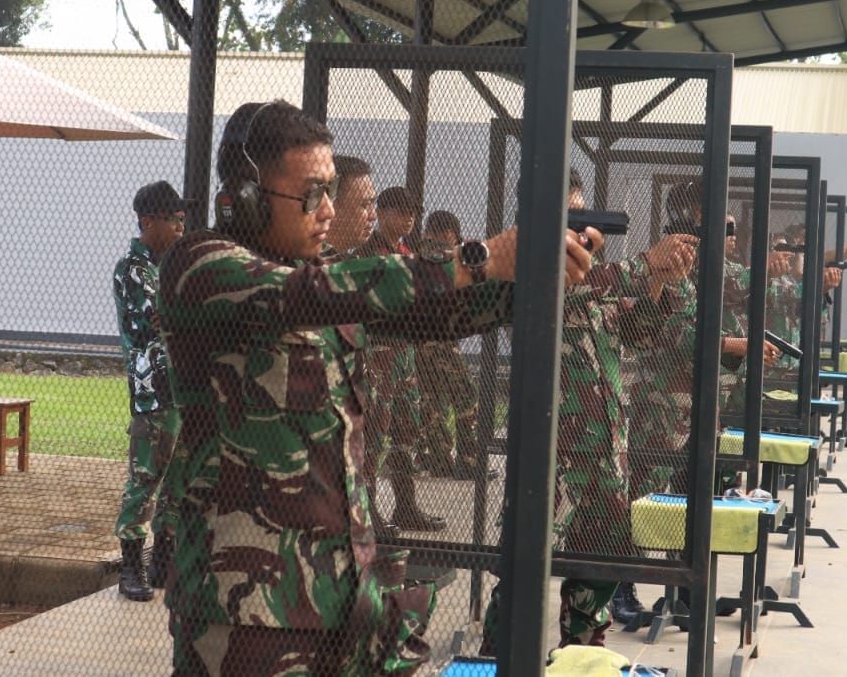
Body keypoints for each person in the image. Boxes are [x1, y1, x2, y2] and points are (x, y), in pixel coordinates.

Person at [156, 99, 597, 675]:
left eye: (331, 191)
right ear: (246, 197)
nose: (327, 210)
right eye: (311, 194)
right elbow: (311, 294)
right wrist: (480, 257)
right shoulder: (200, 265)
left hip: (339, 599)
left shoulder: (324, 274)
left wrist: (535, 276)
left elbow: (435, 313)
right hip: (243, 612)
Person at [481, 168, 698, 652]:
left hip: (604, 452)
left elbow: (639, 334)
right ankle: (496, 658)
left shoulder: (593, 279)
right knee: (522, 568)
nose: (580, 231)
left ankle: (580, 657)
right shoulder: (529, 268)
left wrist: (657, 281)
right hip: (552, 454)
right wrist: (645, 264)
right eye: (571, 219)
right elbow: (584, 286)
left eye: (582, 218)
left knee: (600, 568)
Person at [112, 180, 190, 601]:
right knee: (145, 477)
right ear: (146, 222)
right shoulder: (133, 270)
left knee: (178, 478)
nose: (180, 227)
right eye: (171, 219)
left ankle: (163, 560)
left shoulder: (170, 267)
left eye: (182, 219)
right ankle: (131, 566)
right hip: (154, 391)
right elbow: (157, 320)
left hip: (184, 389)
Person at [356, 187, 443, 530]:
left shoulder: (409, 253)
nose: (409, 218)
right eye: (401, 211)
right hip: (378, 356)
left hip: (404, 356)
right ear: (381, 212)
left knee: (407, 432)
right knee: (374, 435)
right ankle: (368, 512)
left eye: (413, 212)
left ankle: (406, 507)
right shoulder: (366, 252)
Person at [412, 210, 486, 480]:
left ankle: (439, 459)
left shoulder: (414, 255)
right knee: (466, 396)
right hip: (440, 339)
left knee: (432, 401)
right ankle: (469, 460)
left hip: (418, 339)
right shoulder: (444, 255)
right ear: (448, 234)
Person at [323, 154, 376, 253]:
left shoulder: (347, 260)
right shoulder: (302, 261)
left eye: (372, 203)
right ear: (331, 207)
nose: (373, 216)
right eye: (364, 205)